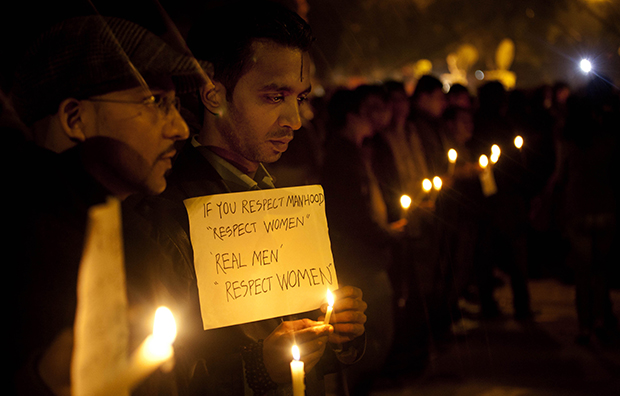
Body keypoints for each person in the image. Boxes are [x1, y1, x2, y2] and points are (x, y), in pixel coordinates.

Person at [132, 2, 367, 395]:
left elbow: (302, 345)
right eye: (275, 96)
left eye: (301, 98)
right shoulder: (168, 214)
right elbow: (163, 374)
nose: (294, 119)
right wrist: (257, 367)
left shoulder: (283, 201)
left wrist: (337, 332)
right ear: (212, 94)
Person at [8, 15, 207, 395]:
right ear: (74, 118)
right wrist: (42, 383)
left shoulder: (143, 227)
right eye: (155, 102)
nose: (181, 128)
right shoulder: (29, 248)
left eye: (177, 105)